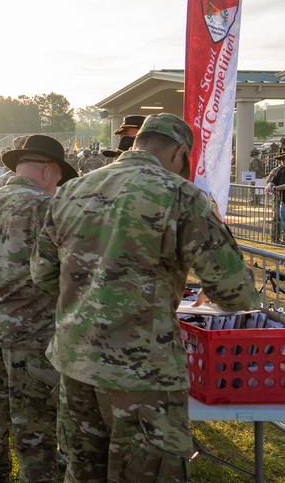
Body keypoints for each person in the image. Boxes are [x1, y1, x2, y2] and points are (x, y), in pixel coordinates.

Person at [32, 113, 261, 482]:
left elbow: (42, 274)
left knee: (83, 472)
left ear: (138, 143)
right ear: (180, 153)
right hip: (142, 376)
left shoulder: (72, 191)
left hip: (75, 363)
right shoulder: (181, 195)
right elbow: (237, 292)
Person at [0, 135, 77, 482]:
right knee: (35, 425)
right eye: (58, 178)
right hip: (31, 334)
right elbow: (62, 272)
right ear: (49, 171)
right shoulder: (48, 208)